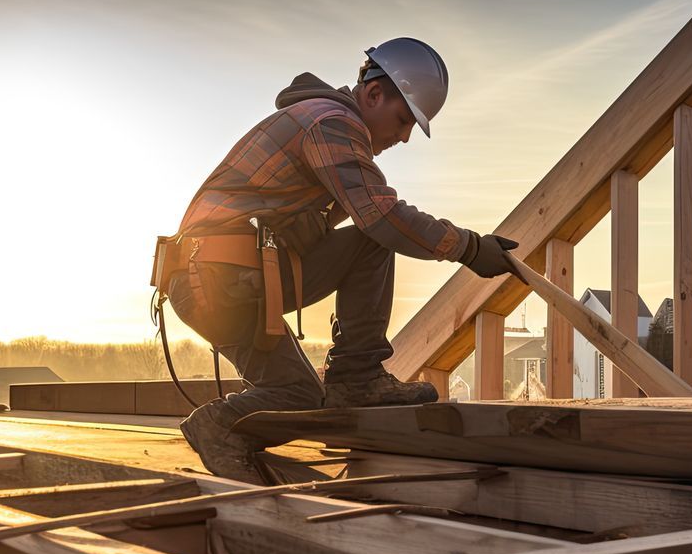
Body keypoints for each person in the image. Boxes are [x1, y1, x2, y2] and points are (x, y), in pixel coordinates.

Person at [153, 37, 518, 483]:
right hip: (219, 280)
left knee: (298, 394)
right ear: (373, 93)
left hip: (232, 280)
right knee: (374, 237)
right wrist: (469, 247)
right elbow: (382, 216)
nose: (404, 136)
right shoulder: (332, 124)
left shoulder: (322, 125)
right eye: (403, 120)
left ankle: (333, 385)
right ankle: (330, 386)